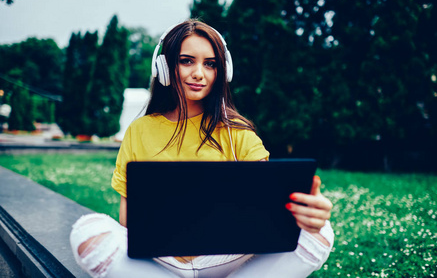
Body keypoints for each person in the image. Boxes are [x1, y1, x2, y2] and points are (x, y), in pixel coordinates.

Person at [70, 19, 334, 278]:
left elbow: (266, 210)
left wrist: (309, 211)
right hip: (161, 260)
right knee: (88, 231)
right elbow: (127, 222)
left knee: (322, 233)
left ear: (223, 72)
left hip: (228, 256)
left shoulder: (238, 132)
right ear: (164, 66)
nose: (199, 73)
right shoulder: (139, 130)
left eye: (210, 64)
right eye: (187, 61)